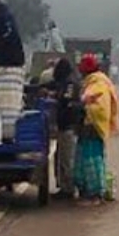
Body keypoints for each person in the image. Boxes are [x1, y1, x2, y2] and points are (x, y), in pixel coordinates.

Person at [75, 54, 119, 204]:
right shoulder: (94, 82)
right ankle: (88, 191)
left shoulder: (98, 84)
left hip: (92, 127)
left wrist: (84, 103)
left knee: (92, 162)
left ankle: (95, 194)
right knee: (85, 161)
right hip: (88, 128)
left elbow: (101, 108)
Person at [47, 55, 83, 200]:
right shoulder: (66, 81)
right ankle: (63, 186)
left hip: (69, 126)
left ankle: (68, 189)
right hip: (65, 126)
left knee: (66, 159)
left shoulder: (70, 83)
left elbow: (66, 100)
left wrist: (55, 97)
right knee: (61, 158)